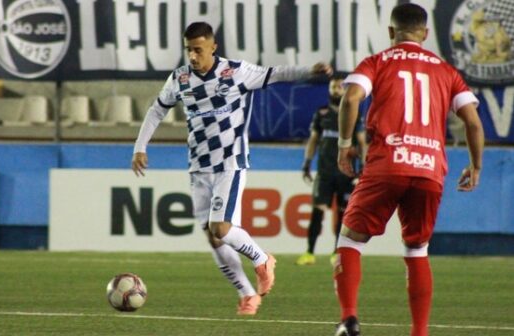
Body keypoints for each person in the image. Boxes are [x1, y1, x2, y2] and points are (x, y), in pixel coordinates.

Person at [131, 22, 332, 316]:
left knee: (221, 228)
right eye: (188, 50)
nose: (193, 56)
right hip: (198, 166)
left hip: (230, 162)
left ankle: (262, 259)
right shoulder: (181, 78)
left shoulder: (235, 72)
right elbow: (157, 109)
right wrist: (140, 146)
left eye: (198, 50)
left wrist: (309, 71)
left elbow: (276, 74)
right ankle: (247, 294)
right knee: (214, 238)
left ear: (213, 47)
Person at [333, 4, 484, 336]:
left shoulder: (377, 62)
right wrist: (475, 166)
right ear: (426, 34)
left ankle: (349, 319)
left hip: (388, 163)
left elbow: (352, 96)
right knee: (417, 248)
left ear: (390, 32)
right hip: (430, 169)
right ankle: (419, 332)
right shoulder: (447, 71)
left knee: (350, 240)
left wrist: (345, 144)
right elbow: (473, 122)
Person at [296, 76, 367, 266]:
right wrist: (307, 163)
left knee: (343, 214)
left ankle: (337, 252)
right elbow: (313, 139)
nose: (336, 90)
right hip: (325, 172)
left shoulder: (353, 112)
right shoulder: (322, 113)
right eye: (333, 87)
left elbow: (361, 142)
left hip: (346, 173)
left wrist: (364, 166)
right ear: (329, 89)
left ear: (344, 90)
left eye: (339, 87)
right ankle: (309, 253)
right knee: (317, 211)